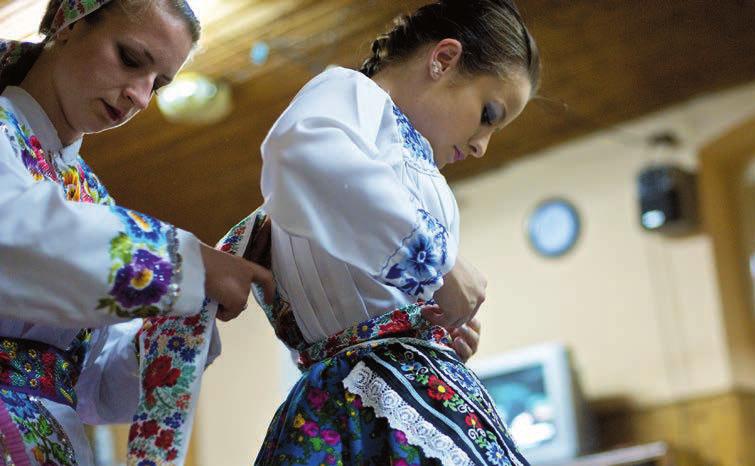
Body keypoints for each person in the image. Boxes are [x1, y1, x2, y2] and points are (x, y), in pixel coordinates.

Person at [219, 0, 541, 463]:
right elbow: (307, 154)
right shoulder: (353, 95)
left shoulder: (410, 160)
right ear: (443, 59)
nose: (481, 145)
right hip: (365, 398)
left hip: (390, 388)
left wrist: (427, 328)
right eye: (488, 114)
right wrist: (439, 265)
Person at [0, 1, 274, 464]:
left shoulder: (91, 198)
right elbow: (15, 236)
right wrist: (187, 263)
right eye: (131, 59)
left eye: (159, 83)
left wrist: (184, 320)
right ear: (68, 24)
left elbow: (97, 384)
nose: (142, 97)